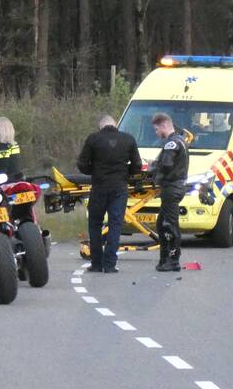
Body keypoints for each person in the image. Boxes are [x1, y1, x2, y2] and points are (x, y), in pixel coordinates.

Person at [77, 115, 143, 273]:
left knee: (95, 224)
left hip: (99, 187)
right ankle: (110, 263)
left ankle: (97, 263)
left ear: (101, 126)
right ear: (115, 125)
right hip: (119, 187)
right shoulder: (128, 139)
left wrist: (94, 171)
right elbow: (137, 165)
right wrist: (126, 173)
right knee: (115, 224)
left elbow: (82, 164)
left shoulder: (93, 139)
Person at [151, 113, 189, 272]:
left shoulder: (171, 144)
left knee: (169, 225)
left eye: (156, 129)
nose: (156, 133)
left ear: (164, 125)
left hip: (172, 187)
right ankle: (165, 259)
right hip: (177, 187)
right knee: (162, 223)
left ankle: (173, 260)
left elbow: (166, 166)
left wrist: (153, 169)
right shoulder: (181, 140)